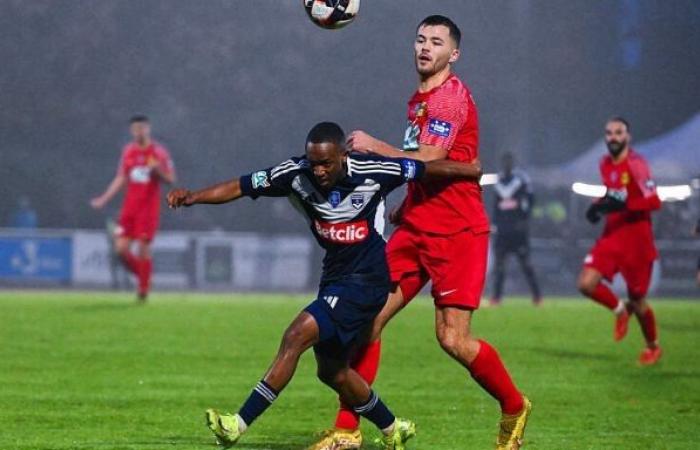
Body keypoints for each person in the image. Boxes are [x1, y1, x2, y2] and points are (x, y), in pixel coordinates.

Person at [166, 122, 482, 449]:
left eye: (326, 163)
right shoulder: (295, 173)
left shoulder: (375, 170)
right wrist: (192, 197)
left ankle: (237, 424)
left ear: (343, 157)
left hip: (367, 282)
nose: (318, 171)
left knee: (295, 335)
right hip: (334, 278)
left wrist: (468, 170)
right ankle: (394, 428)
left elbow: (425, 168)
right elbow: (242, 186)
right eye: (313, 162)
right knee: (332, 372)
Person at [313, 15, 530, 450]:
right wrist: (405, 206)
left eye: (436, 41)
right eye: (420, 39)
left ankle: (512, 405)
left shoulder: (450, 98)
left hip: (458, 233)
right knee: (366, 320)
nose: (425, 47)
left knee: (452, 339)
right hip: (416, 229)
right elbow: (423, 170)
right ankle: (346, 430)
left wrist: (376, 148)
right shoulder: (419, 100)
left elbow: (428, 158)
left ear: (454, 54)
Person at [577, 117, 662, 365]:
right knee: (586, 284)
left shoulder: (636, 164)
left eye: (618, 132)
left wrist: (625, 204)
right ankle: (619, 310)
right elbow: (611, 193)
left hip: (637, 241)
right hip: (612, 236)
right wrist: (597, 206)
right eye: (609, 133)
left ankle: (653, 346)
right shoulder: (604, 163)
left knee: (638, 299)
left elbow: (654, 201)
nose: (613, 137)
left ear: (628, 136)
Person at [91, 115, 175, 301]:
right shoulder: (128, 152)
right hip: (129, 208)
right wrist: (104, 199)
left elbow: (170, 179)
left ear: (148, 129)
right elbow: (121, 178)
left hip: (148, 208)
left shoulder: (159, 152)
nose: (139, 132)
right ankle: (144, 277)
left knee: (143, 247)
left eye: (142, 128)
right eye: (135, 129)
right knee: (120, 249)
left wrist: (157, 171)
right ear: (132, 131)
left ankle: (143, 289)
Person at [489, 152, 542, 306]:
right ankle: (496, 298)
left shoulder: (521, 180)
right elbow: (495, 206)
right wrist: (495, 224)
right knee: (499, 266)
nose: (507, 165)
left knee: (526, 265)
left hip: (518, 231)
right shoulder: (498, 181)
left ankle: (537, 297)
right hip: (503, 231)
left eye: (509, 162)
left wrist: (525, 218)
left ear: (513, 163)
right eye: (505, 162)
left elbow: (531, 200)